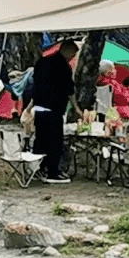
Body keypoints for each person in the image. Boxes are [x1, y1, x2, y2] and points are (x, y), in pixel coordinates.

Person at [31, 37, 77, 181]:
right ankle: (53, 172)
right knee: (54, 142)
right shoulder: (64, 67)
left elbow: (35, 84)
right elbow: (70, 90)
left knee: (40, 140)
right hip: (54, 109)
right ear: (69, 52)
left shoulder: (42, 62)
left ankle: (37, 170)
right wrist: (76, 108)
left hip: (39, 107)